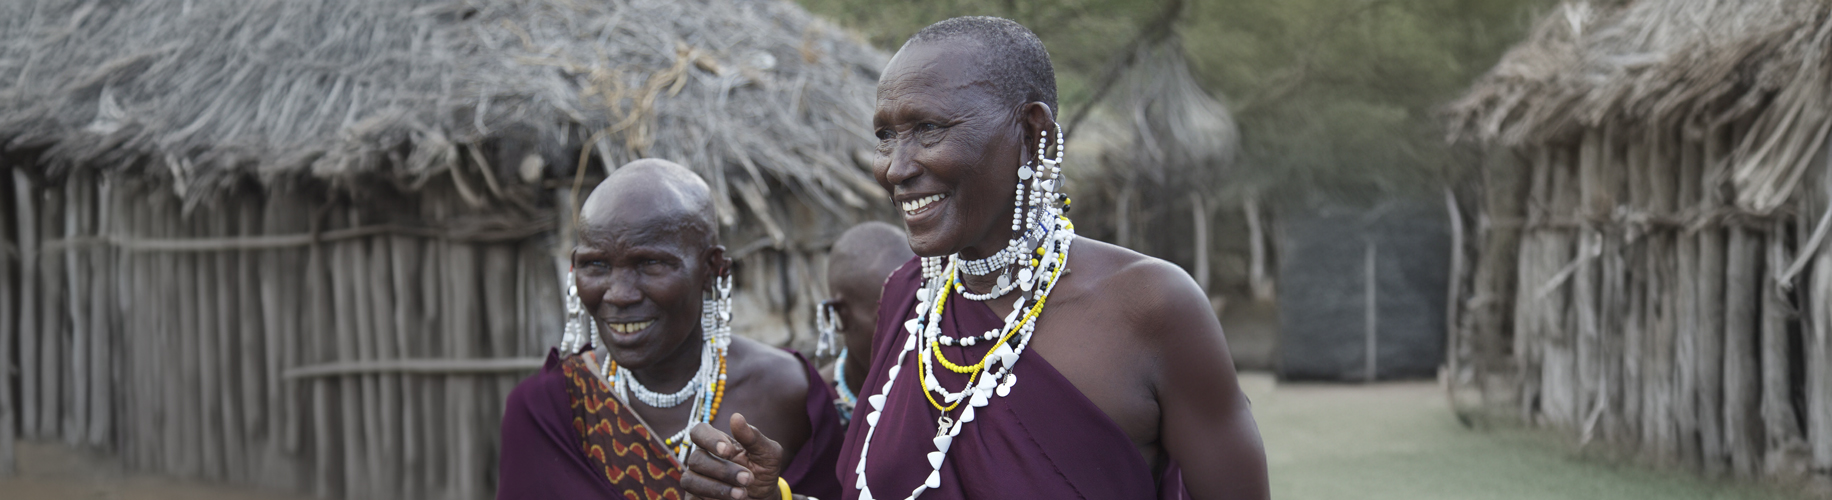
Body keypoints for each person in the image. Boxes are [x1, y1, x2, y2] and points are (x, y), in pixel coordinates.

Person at [681, 17, 1268, 500]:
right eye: (887, 135)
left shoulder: (1152, 307)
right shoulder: (907, 300)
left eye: (928, 129)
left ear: (1032, 132)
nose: (896, 167)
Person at [496, 159, 843, 500]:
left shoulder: (789, 393)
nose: (619, 294)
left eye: (650, 263)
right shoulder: (547, 409)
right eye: (595, 265)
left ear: (712, 268)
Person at [816, 222, 914, 421]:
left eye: (922, 312)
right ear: (839, 315)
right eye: (890, 319)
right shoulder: (813, 409)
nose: (913, 331)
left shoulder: (949, 391)